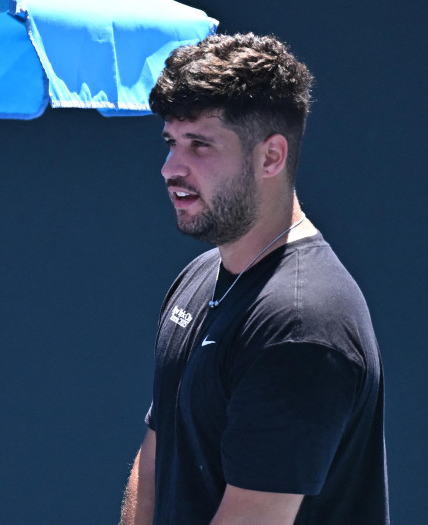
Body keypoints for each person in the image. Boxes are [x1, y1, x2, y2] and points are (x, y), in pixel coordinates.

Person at [118, 33, 388, 524]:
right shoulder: (198, 278)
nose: (170, 169)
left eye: (199, 145)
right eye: (171, 143)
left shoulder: (302, 324)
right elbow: (157, 457)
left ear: (271, 157)